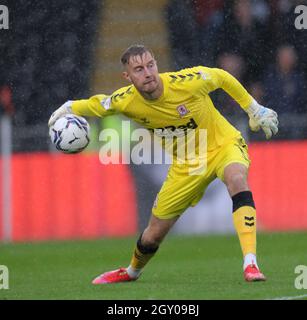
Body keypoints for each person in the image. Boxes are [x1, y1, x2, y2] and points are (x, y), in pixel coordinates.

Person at [48, 45, 278, 283]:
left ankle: (250, 263)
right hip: (186, 166)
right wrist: (67, 108)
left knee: (236, 179)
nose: (147, 73)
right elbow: (99, 104)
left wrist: (254, 109)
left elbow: (221, 77)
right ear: (127, 77)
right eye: (138, 69)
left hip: (223, 145)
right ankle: (131, 271)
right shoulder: (126, 101)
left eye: (150, 65)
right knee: (153, 235)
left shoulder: (185, 82)